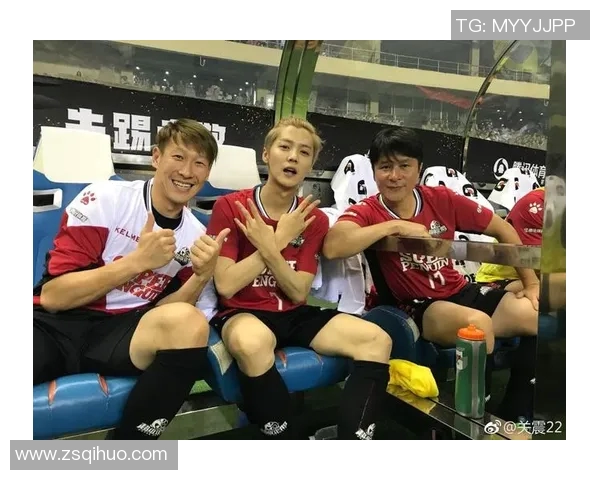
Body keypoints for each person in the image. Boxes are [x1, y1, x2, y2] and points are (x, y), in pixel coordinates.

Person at [323, 126, 539, 421]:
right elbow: (334, 246)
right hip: (416, 306)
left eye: (404, 166)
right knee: (477, 326)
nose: (395, 176)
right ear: (374, 171)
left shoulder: (442, 198)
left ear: (419, 168)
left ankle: (515, 410)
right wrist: (394, 226)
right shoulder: (368, 211)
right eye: (385, 167)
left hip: (459, 290)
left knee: (534, 316)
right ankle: (476, 422)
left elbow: (503, 229)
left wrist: (531, 283)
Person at [33, 119, 230, 439]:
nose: (187, 171)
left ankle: (127, 450)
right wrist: (137, 262)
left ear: (207, 173)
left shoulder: (195, 235)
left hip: (122, 332)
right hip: (56, 325)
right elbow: (54, 298)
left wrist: (200, 276)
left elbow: (165, 315)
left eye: (199, 163)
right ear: (156, 157)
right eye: (178, 157)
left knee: (190, 322)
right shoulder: (105, 199)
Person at [206, 117, 392, 440]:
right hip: (242, 311)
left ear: (310, 164)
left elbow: (297, 291)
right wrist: (280, 239)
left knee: (377, 340)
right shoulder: (231, 207)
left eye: (304, 152)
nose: (293, 157)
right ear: (266, 154)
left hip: (292, 312)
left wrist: (270, 246)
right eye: (285, 147)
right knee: (251, 342)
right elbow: (226, 284)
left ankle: (353, 440)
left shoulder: (313, 219)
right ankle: (284, 439)